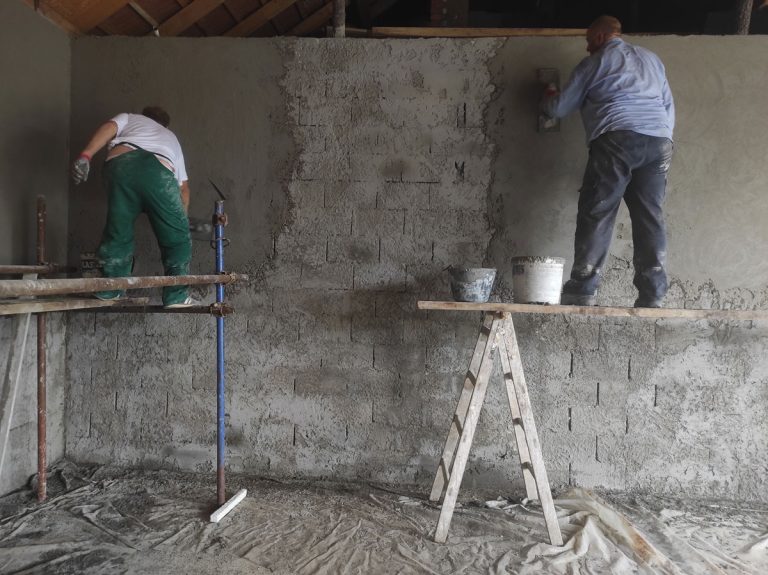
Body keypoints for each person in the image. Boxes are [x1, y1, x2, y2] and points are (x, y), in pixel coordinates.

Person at [542, 15, 675, 308]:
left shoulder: (595, 62)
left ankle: (583, 288)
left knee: (598, 210)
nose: (587, 47)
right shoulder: (651, 59)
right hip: (659, 142)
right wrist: (661, 140)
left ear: (600, 37)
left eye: (589, 41)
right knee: (650, 215)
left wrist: (548, 96)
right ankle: (653, 293)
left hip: (617, 138)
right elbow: (668, 106)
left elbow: (559, 108)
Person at [72, 106, 195, 308]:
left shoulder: (130, 118)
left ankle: (111, 290)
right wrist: (181, 221)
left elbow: (109, 127)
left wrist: (86, 156)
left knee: (118, 231)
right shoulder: (169, 136)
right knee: (177, 240)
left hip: (120, 167)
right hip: (156, 172)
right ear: (164, 125)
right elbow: (184, 189)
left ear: (144, 117)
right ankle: (176, 296)